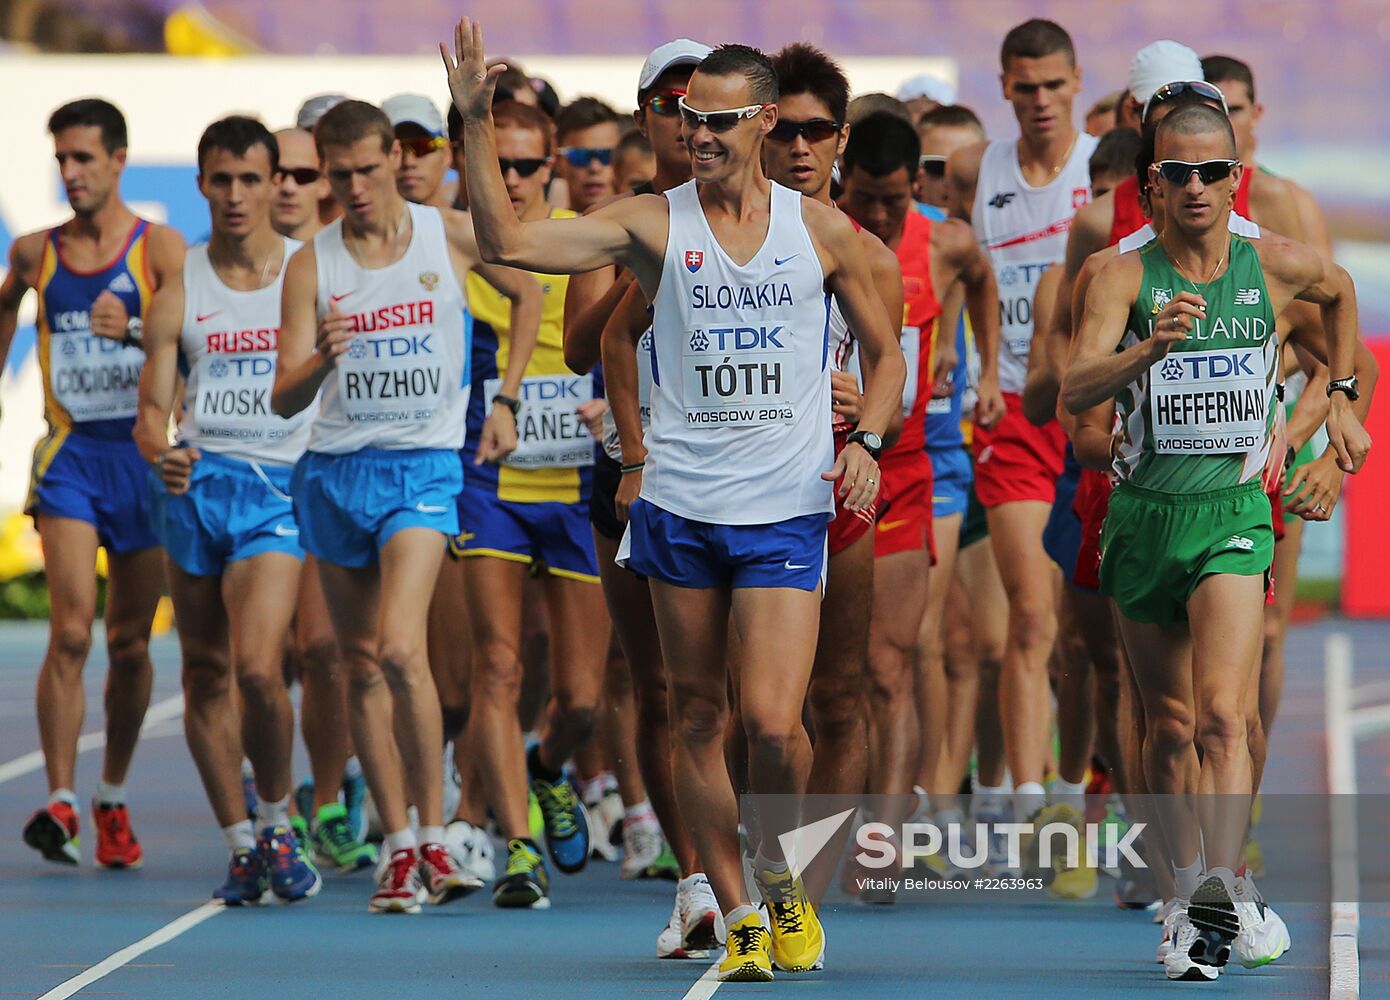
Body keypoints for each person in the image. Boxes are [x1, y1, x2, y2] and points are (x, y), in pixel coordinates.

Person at [444, 19, 904, 981]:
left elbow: (888, 351)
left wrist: (865, 439)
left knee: (775, 725)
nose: (698, 135)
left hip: (784, 502)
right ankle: (736, 909)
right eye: (688, 118)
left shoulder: (823, 232)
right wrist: (474, 126)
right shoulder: (652, 222)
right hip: (682, 506)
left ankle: (782, 883)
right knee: (696, 715)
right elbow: (509, 239)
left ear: (766, 121)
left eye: (721, 120)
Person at [1062, 103, 1372, 980]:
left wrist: (1340, 400)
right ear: (1150, 183)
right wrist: (1145, 354)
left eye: (1212, 171)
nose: (1195, 187)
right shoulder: (1120, 277)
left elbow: (1343, 296)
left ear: (1236, 179)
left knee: (1224, 717)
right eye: (1177, 173)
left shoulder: (1273, 268)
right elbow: (1072, 392)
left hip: (1233, 519)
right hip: (1142, 517)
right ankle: (1187, 887)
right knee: (1165, 727)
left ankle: (1213, 903)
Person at [271, 98, 542, 913]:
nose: (353, 188)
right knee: (358, 661)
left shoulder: (446, 232)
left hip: (423, 467)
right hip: (333, 473)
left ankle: (434, 833)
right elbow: (286, 397)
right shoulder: (312, 265)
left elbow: (526, 296)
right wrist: (322, 359)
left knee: (399, 649)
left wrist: (508, 400)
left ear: (394, 157)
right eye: (337, 174)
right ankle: (398, 845)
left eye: (365, 169)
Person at [561, 37, 725, 959]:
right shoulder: (620, 217)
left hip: (739, 471)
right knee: (657, 685)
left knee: (739, 691)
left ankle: (751, 865)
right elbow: (582, 347)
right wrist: (639, 276)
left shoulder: (762, 209)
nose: (683, 118)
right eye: (667, 103)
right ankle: (694, 877)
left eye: (700, 102)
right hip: (633, 470)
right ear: (645, 115)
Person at [136, 116, 322, 903]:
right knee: (206, 671)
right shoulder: (180, 288)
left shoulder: (306, 274)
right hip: (197, 491)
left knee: (258, 668)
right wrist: (161, 449)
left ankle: (278, 818)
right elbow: (149, 410)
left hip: (279, 490)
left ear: (276, 180)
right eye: (223, 180)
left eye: (254, 178)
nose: (240, 195)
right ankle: (240, 843)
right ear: (202, 185)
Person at [2, 98, 184, 869]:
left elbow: (197, 340)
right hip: (72, 457)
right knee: (72, 632)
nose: (71, 173)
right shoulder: (36, 253)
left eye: (84, 159)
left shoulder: (161, 250)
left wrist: (137, 330)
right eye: (61, 160)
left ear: (118, 161)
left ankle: (111, 793)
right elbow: (7, 311)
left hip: (141, 458)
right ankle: (63, 800)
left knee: (130, 646)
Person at [838, 111, 1002, 900]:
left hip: (903, 464)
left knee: (889, 662)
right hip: (807, 467)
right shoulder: (814, 235)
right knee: (820, 677)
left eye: (891, 202)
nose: (875, 217)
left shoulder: (945, 242)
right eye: (863, 198)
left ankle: (883, 839)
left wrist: (989, 373)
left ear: (916, 189)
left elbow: (983, 282)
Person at [946, 17, 1097, 831]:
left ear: (1075, 84)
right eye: (1024, 86)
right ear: (1003, 86)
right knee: (1028, 619)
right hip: (1007, 414)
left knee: (1079, 635)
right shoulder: (975, 169)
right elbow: (939, 258)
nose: (1039, 100)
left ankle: (1068, 782)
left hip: (1088, 419)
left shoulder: (1098, 176)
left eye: (1053, 85)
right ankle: (1025, 802)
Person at [762, 39, 903, 820]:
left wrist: (868, 427)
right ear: (759, 131)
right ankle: (739, 880)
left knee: (840, 699)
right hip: (738, 492)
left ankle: (801, 901)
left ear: (842, 139)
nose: (801, 146)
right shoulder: (707, 241)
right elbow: (619, 341)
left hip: (835, 492)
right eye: (785, 130)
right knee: (751, 714)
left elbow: (894, 377)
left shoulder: (869, 257)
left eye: (818, 131)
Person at [384, 94, 455, 210]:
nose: (408, 162)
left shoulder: (476, 225)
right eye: (394, 150)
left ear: (447, 153)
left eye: (422, 147)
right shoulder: (355, 227)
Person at [554, 97, 624, 214]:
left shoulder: (649, 228)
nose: (594, 168)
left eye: (606, 156)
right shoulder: (547, 230)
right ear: (559, 161)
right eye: (581, 156)